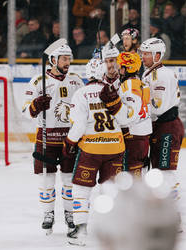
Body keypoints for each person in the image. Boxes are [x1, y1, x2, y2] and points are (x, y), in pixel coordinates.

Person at [23, 44, 84, 235]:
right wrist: (35, 106)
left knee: (69, 180)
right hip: (46, 138)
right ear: (53, 61)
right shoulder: (37, 81)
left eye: (69, 58)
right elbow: (25, 111)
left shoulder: (76, 81)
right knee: (46, 180)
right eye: (64, 59)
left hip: (70, 138)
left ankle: (70, 213)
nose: (67, 62)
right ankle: (48, 214)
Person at [64, 58, 125, 246]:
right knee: (111, 190)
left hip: (91, 149)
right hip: (115, 147)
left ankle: (80, 232)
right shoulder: (115, 90)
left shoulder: (81, 94)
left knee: (81, 190)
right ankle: (114, 229)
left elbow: (79, 125)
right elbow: (126, 119)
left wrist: (70, 142)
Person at [139, 38, 184, 200]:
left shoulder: (162, 75)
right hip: (161, 127)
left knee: (166, 172)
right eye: (142, 53)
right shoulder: (151, 73)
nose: (143, 57)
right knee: (158, 170)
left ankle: (173, 214)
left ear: (157, 55)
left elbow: (159, 107)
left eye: (146, 54)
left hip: (167, 127)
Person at [100, 50, 152, 178]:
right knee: (139, 173)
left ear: (128, 68)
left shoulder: (129, 85)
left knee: (132, 177)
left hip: (133, 136)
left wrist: (114, 104)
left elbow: (128, 116)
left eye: (121, 68)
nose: (119, 70)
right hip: (143, 135)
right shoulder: (140, 83)